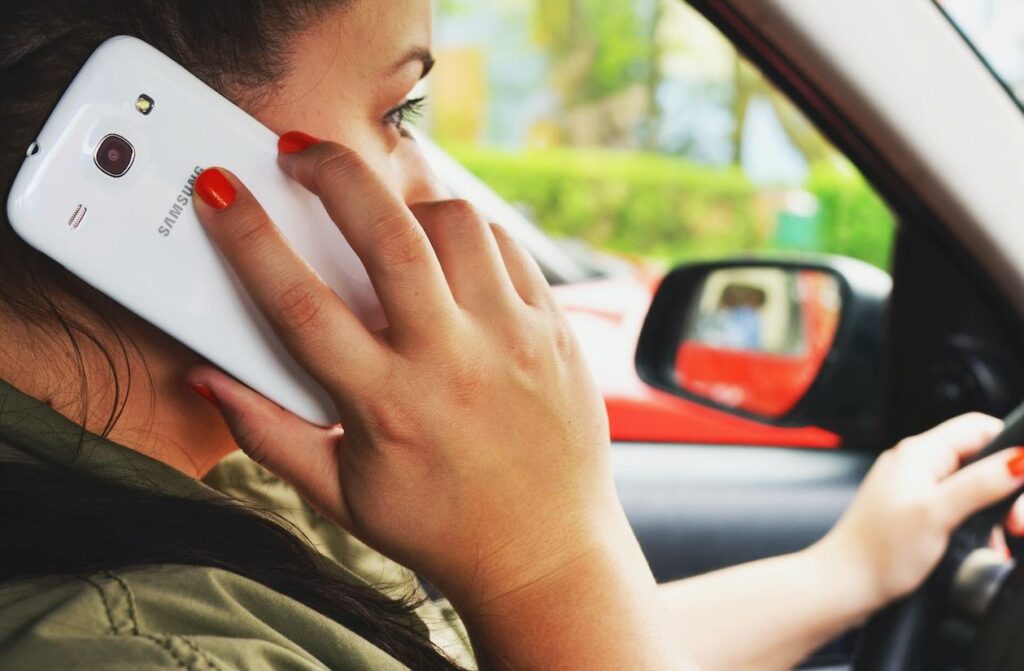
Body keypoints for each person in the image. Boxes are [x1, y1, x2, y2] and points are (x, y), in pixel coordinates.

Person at [2, 2, 1023, 669]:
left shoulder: (223, 472)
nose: (439, 193)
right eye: (398, 109)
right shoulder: (137, 647)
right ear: (170, 144)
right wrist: (548, 552)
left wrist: (849, 568)